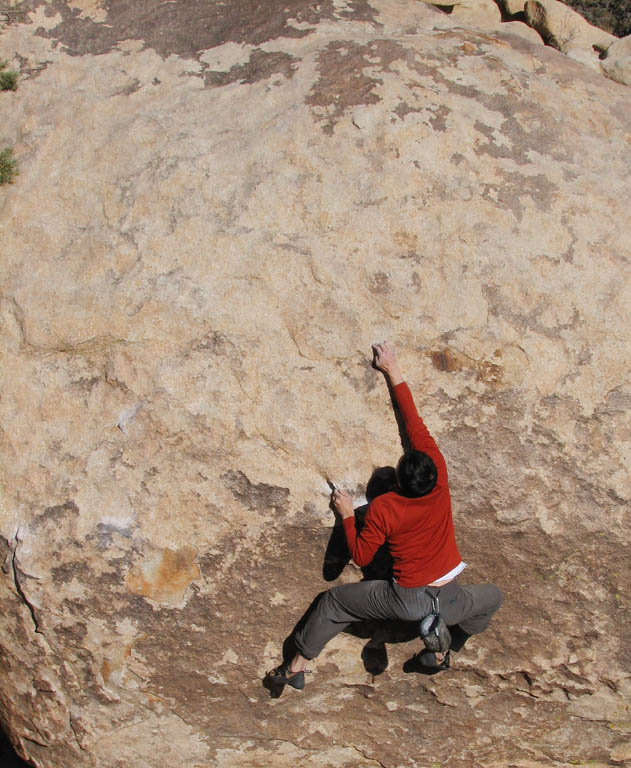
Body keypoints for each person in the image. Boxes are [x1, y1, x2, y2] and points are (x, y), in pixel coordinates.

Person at [267, 341, 502, 690]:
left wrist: (347, 515)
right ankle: (440, 650)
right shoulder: (438, 472)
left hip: (405, 602)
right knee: (492, 598)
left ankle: (295, 667)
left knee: (333, 603)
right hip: (450, 600)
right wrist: (393, 370)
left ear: (399, 483)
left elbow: (361, 556)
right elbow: (414, 424)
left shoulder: (385, 507)